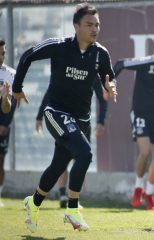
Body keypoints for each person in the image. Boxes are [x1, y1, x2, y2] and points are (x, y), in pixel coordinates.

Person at [12, 3, 117, 232]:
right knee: (86, 154)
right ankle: (72, 209)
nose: (95, 29)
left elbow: (109, 77)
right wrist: (17, 88)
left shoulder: (100, 53)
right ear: (76, 26)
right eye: (89, 24)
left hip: (82, 119)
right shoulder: (59, 46)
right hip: (56, 113)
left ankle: (34, 202)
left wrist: (111, 85)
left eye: (97, 24)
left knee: (59, 164)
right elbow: (26, 56)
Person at [113, 36, 154, 210]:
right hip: (140, 113)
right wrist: (110, 84)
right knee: (145, 151)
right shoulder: (144, 63)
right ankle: (138, 187)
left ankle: (149, 193)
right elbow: (120, 64)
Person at [35, 77, 108, 208]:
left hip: (84, 123)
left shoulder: (93, 72)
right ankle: (63, 194)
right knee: (62, 162)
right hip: (65, 121)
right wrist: (39, 116)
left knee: (81, 158)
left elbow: (102, 97)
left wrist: (101, 120)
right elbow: (50, 92)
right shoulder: (67, 67)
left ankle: (73, 199)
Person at [0, 38, 16, 208]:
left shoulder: (10, 74)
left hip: (3, 126)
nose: (1, 56)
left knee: (0, 161)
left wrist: (5, 97)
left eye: (3, 53)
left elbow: (8, 107)